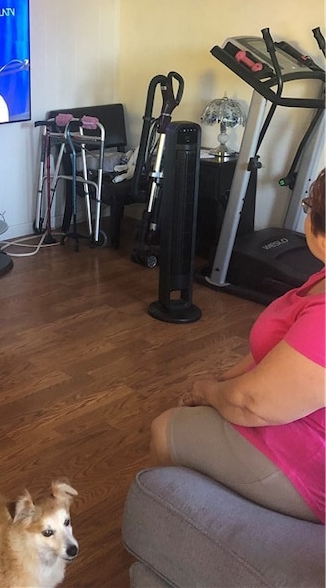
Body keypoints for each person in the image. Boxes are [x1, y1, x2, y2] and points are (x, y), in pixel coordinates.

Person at [150, 168, 326, 524]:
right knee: (205, 411)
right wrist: (220, 384)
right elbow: (277, 350)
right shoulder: (321, 278)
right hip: (292, 417)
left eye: (308, 207)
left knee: (163, 429)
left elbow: (252, 404)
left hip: (312, 469)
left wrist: (208, 390)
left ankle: (189, 531)